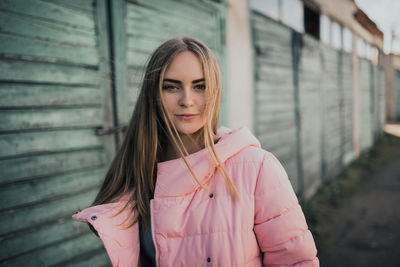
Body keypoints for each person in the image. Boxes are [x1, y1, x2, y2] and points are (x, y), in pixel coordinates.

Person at [72, 36, 319, 267]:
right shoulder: (138, 172)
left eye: (199, 86)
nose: (187, 100)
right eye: (171, 87)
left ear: (214, 91)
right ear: (154, 94)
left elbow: (297, 261)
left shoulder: (257, 167)